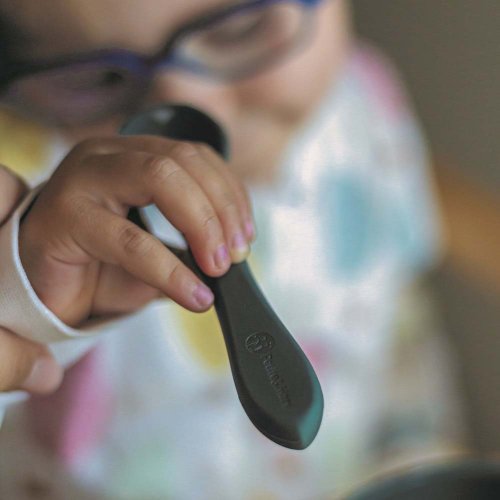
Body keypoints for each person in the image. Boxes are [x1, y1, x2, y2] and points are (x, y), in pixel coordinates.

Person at [0, 0, 465, 498]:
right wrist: (23, 295)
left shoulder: (366, 110)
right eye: (96, 77)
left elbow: (404, 341)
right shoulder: (25, 204)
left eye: (242, 28)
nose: (196, 104)